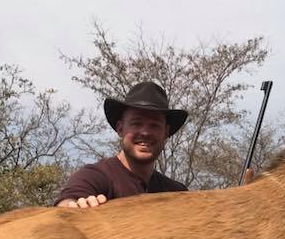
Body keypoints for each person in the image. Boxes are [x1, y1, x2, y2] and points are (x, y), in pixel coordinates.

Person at [56, 81, 188, 208]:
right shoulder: (95, 176)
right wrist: (75, 205)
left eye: (155, 125)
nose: (146, 132)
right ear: (120, 129)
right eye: (136, 123)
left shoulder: (177, 192)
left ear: (166, 133)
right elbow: (66, 205)